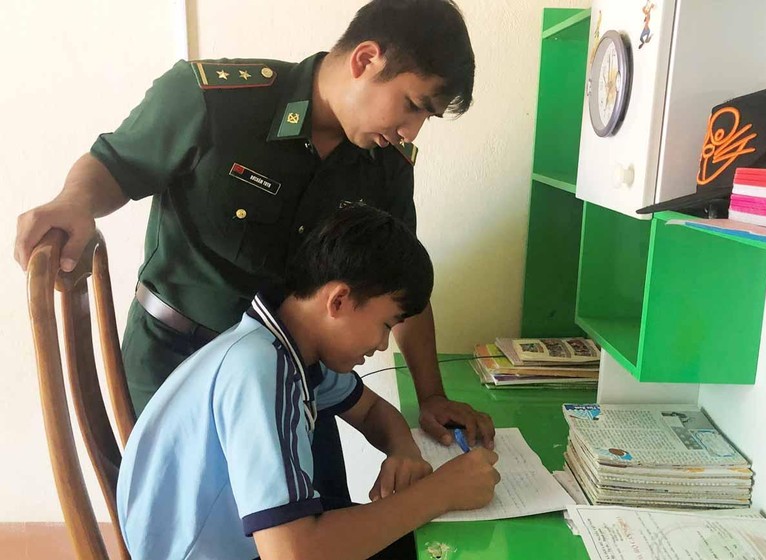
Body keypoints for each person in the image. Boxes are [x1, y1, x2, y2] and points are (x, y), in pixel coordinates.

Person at [14, 0, 494, 507]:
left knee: (331, 513)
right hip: (175, 368)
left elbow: (396, 284)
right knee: (212, 525)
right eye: (413, 105)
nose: (411, 131)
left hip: (295, 379)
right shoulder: (216, 101)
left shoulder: (387, 164)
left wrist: (431, 395)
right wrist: (73, 202)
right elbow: (115, 166)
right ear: (366, 59)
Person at [117, 205, 500, 560]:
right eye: (386, 324)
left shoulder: (288, 348)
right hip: (214, 552)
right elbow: (291, 553)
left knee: (417, 538)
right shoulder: (262, 371)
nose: (383, 344)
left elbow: (371, 410)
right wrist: (441, 492)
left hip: (238, 541)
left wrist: (404, 451)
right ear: (339, 301)